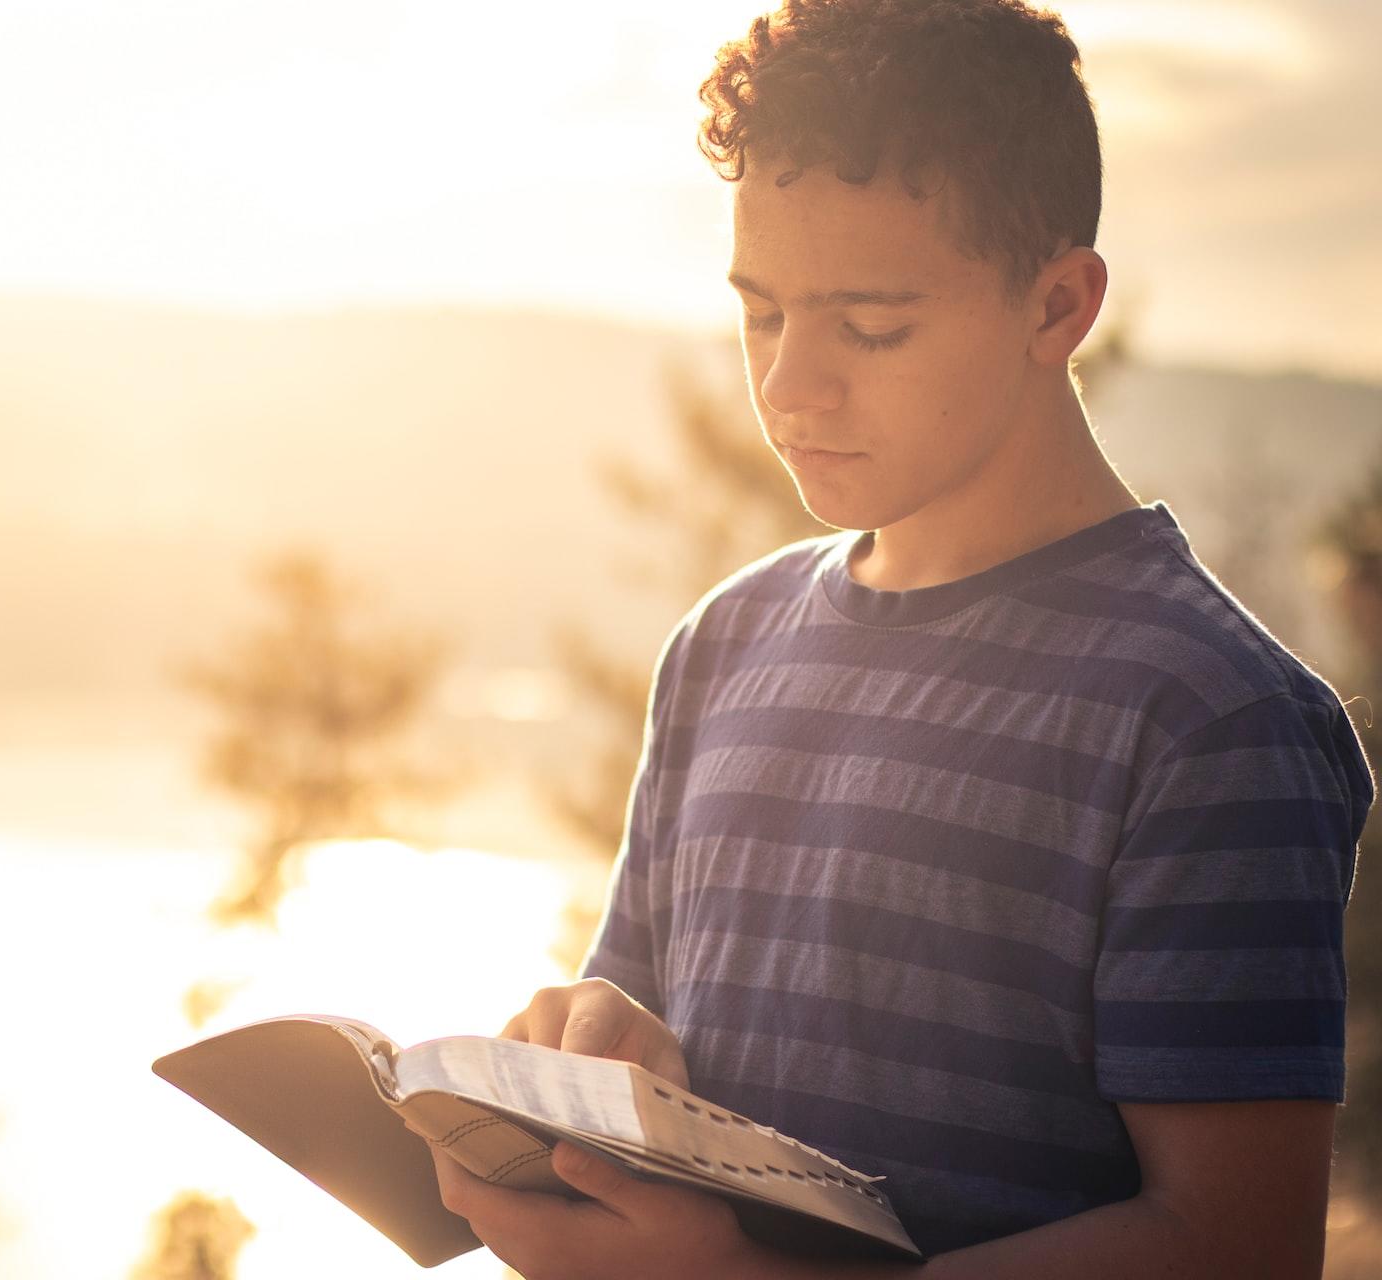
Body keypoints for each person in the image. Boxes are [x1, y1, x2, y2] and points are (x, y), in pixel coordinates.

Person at [418, 1, 1374, 1276]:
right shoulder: (723, 645)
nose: (789, 384)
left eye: (868, 326)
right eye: (762, 314)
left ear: (1057, 305)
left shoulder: (1209, 716)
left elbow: (1235, 1245)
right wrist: (599, 1054)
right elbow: (651, 1039)